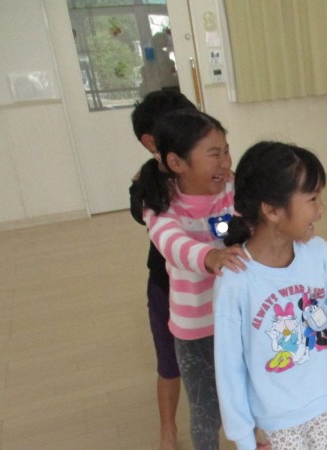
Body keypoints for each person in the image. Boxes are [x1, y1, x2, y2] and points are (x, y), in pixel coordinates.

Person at [213, 141, 327, 450]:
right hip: (277, 414)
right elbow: (229, 365)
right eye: (312, 198)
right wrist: (243, 435)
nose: (321, 209)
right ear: (272, 210)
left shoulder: (320, 255)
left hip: (321, 397)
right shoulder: (236, 280)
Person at [141, 109, 249, 450]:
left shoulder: (232, 189)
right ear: (177, 162)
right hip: (196, 330)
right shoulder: (161, 204)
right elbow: (172, 243)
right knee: (205, 411)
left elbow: (254, 222)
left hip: (238, 319)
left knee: (249, 391)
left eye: (227, 151)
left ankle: (256, 439)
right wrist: (209, 256)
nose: (225, 162)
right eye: (214, 154)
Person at [129, 90, 197, 450]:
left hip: (216, 282)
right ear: (151, 142)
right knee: (169, 362)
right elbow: (145, 216)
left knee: (232, 356)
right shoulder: (148, 180)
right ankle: (168, 430)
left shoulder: (209, 167)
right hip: (168, 286)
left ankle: (251, 424)